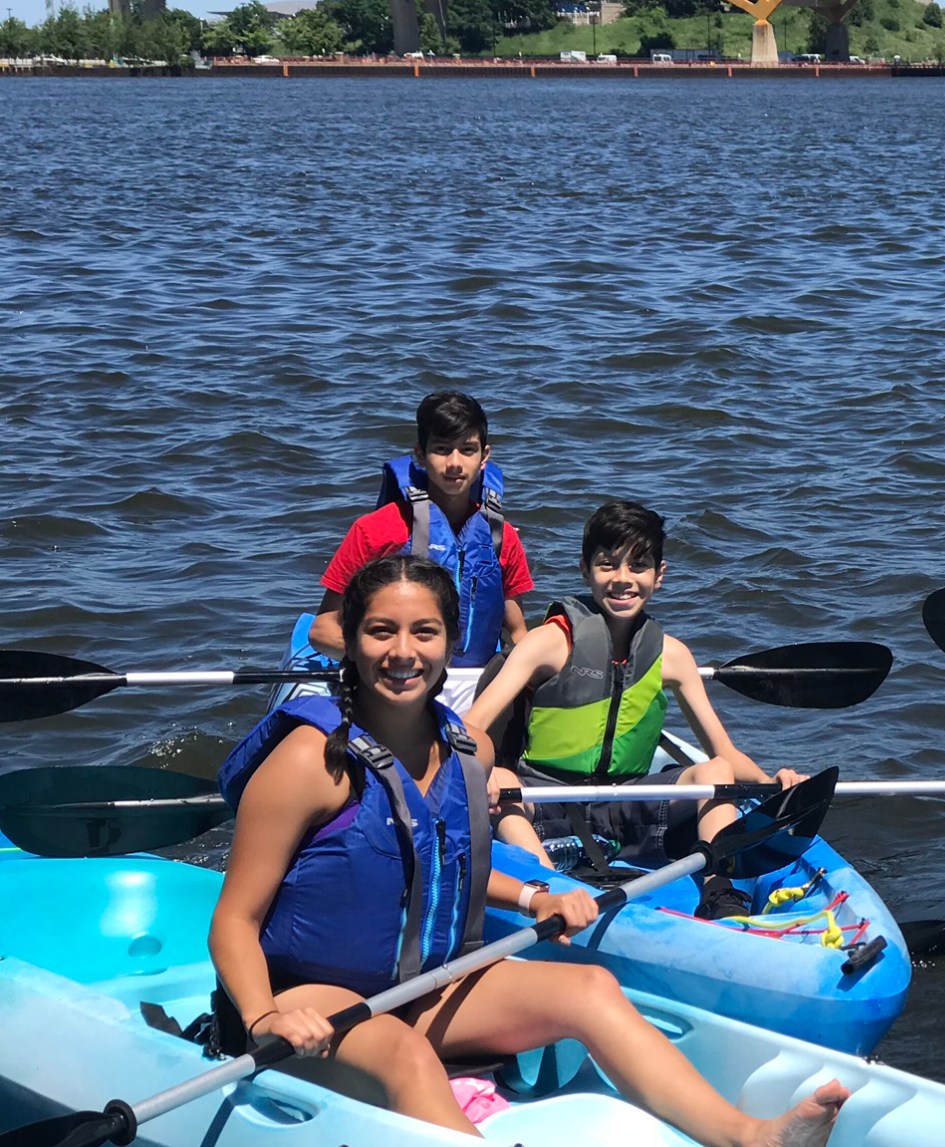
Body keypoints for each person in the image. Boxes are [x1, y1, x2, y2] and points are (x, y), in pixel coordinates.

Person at [209, 554, 846, 1144]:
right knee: (407, 1058)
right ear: (350, 639)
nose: (403, 652)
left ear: (452, 642)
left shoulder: (469, 753)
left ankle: (750, 1136)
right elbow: (235, 920)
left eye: (424, 632)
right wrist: (264, 1018)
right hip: (307, 1001)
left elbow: (440, 865)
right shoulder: (307, 762)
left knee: (590, 989)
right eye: (381, 632)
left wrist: (536, 893)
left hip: (415, 986)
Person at [465, 500, 799, 918]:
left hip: (628, 805)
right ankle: (552, 891)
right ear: (586, 570)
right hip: (545, 801)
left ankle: (720, 890)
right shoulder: (549, 642)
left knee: (716, 773)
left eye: (638, 566)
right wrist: (481, 773)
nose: (623, 579)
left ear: (659, 576)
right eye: (608, 565)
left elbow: (725, 753)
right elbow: (471, 727)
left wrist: (774, 783)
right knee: (500, 777)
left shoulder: (672, 657)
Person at [309, 391, 533, 698]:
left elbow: (518, 633)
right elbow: (322, 630)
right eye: (442, 450)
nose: (455, 463)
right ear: (420, 454)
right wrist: (389, 660)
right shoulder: (374, 530)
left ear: (484, 457)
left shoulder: (502, 537)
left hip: (474, 685)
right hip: (395, 681)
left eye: (467, 450)